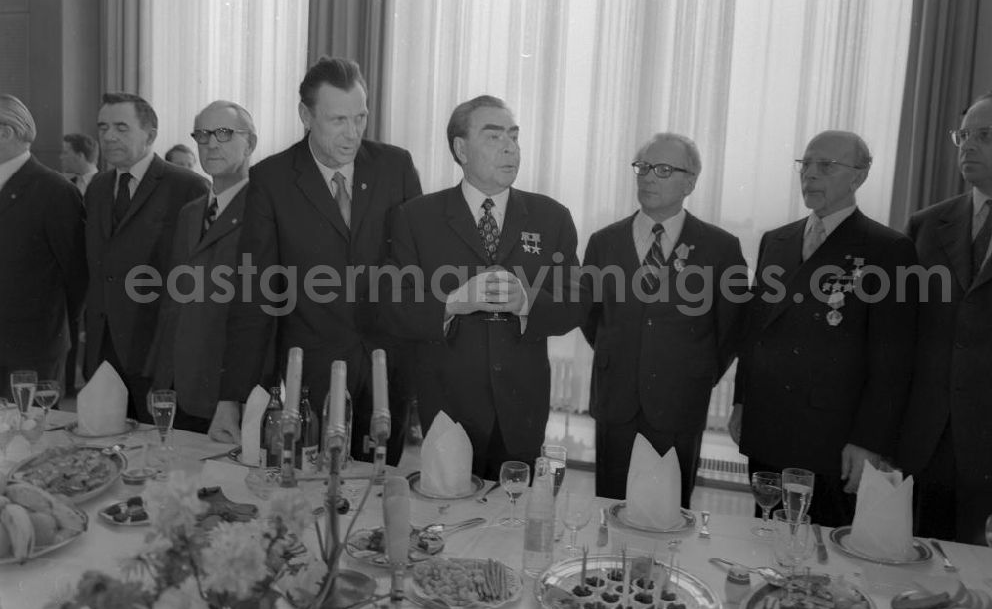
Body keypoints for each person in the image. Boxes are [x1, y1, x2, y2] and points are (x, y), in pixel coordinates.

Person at [213, 57, 422, 463]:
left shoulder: (395, 167)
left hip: (387, 369)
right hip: (310, 376)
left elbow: (415, 274)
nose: (352, 133)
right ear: (306, 116)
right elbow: (254, 296)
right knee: (311, 493)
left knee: (378, 491)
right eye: (338, 120)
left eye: (360, 118)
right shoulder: (272, 180)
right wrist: (232, 396)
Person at [378, 95, 584, 479]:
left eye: (514, 136)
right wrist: (453, 301)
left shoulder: (552, 217)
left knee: (511, 525)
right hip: (447, 409)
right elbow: (394, 306)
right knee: (449, 521)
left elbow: (575, 300)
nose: (510, 148)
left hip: (521, 410)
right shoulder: (416, 218)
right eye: (493, 137)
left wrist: (527, 303)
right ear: (461, 149)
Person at [730, 130, 917, 528]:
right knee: (766, 537)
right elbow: (755, 332)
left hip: (831, 436)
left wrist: (869, 441)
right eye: (806, 164)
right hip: (768, 423)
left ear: (859, 176)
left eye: (826, 166)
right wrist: (742, 402)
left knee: (823, 557)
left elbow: (893, 359)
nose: (810, 175)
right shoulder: (776, 241)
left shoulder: (887, 249)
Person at [581, 133, 748, 507]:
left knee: (668, 515)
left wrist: (693, 370)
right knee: (611, 507)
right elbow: (591, 318)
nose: (648, 178)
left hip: (679, 401)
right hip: (616, 401)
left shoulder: (721, 248)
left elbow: (731, 329)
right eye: (642, 168)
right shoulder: (603, 242)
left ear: (690, 182)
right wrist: (628, 354)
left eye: (663, 169)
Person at [898, 87, 992, 544]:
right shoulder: (926, 224)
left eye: (986, 135)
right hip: (927, 444)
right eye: (963, 135)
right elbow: (900, 337)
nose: (969, 146)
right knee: (916, 586)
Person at [84, 92, 208, 421]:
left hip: (156, 353)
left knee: (160, 454)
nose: (109, 136)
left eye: (121, 127)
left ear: (150, 135)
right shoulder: (97, 187)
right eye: (103, 127)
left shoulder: (188, 187)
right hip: (103, 350)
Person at [145, 101, 257, 433]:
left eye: (224, 133)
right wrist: (161, 380)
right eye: (203, 134)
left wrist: (234, 396)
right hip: (178, 386)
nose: (210, 143)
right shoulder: (191, 213)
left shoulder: (266, 212)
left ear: (249, 143)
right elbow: (172, 304)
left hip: (227, 393)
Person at [0, 96, 88, 400]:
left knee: (31, 438)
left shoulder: (55, 191)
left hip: (32, 350)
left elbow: (77, 275)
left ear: (6, 132)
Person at [59, 132, 99, 396]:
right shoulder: (63, 187)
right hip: (72, 271)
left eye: (66, 152)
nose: (61, 157)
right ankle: (71, 384)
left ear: (80, 155)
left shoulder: (105, 185)